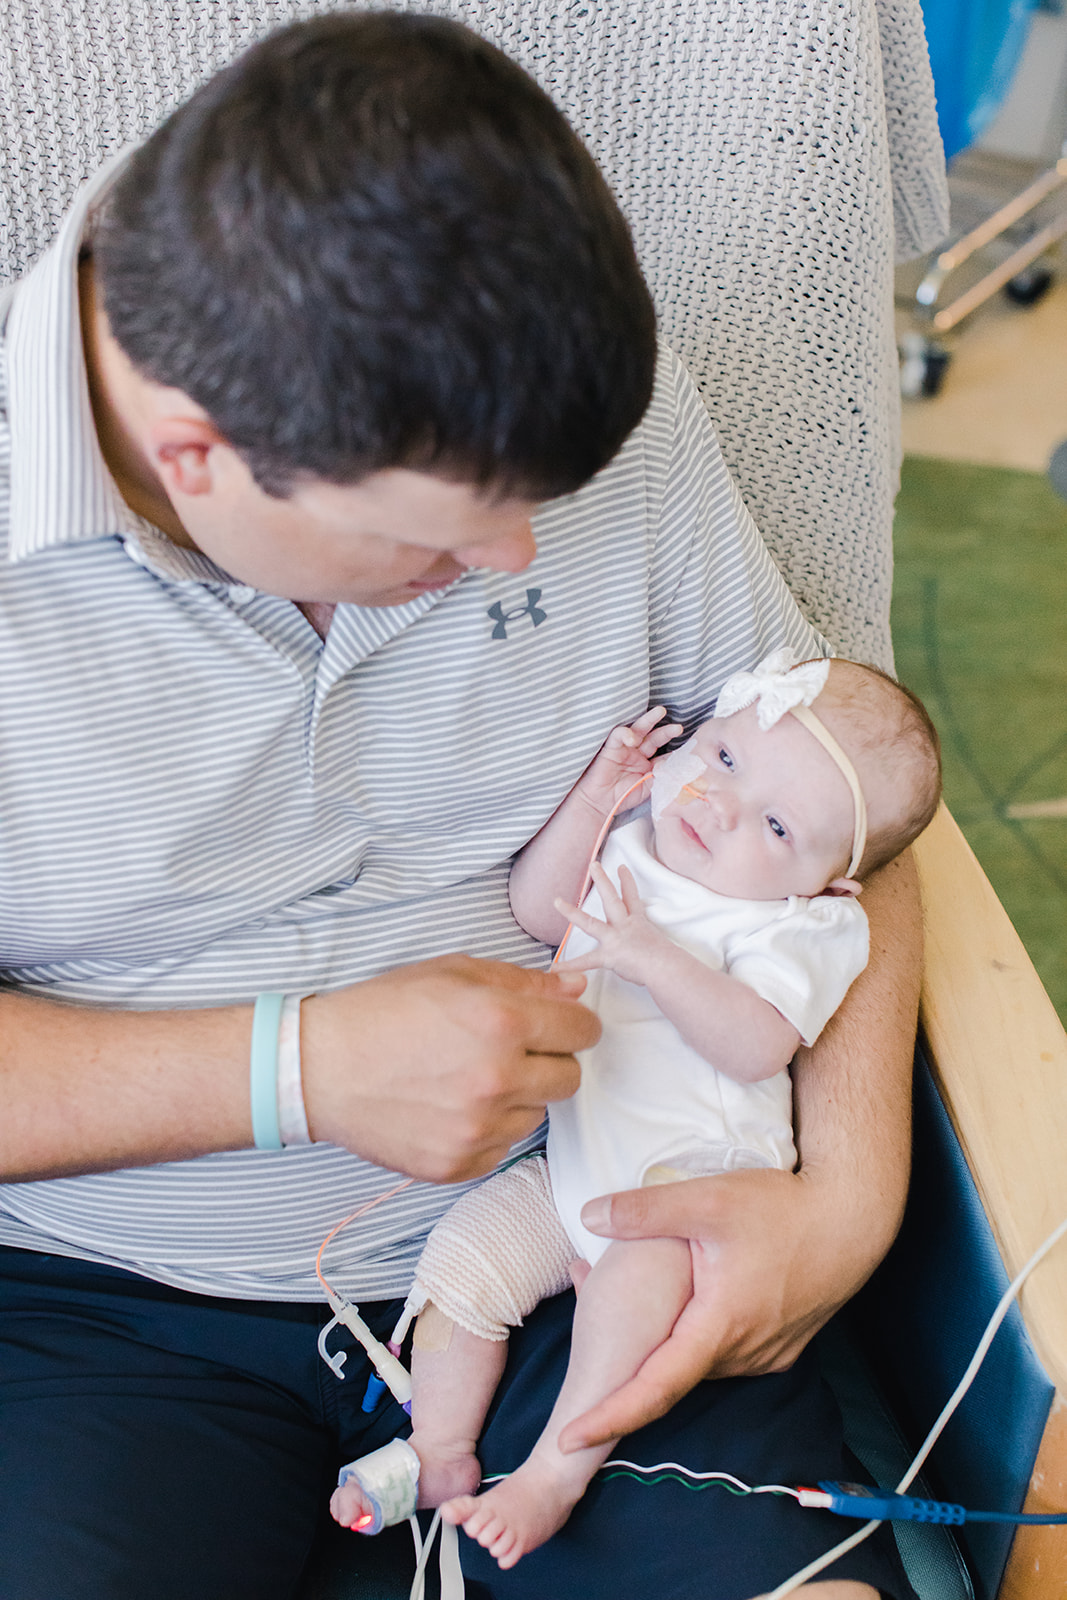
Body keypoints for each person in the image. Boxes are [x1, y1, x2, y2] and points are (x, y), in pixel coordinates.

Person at [0, 12, 923, 1600]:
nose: (514, 560)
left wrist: (843, 1201)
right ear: (197, 458)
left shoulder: (571, 416)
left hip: (602, 1253)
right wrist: (297, 1067)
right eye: (443, 537)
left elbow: (835, 825)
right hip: (89, 1311)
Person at [330, 654, 942, 1569]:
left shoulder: (797, 928)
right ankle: (440, 1450)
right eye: (725, 757)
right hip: (569, 1178)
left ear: (829, 883)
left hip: (689, 1200)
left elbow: (757, 1045)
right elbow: (541, 908)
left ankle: (556, 1468)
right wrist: (597, 800)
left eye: (775, 825)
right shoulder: (639, 842)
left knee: (623, 1300)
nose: (718, 804)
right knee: (463, 1263)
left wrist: (653, 957)